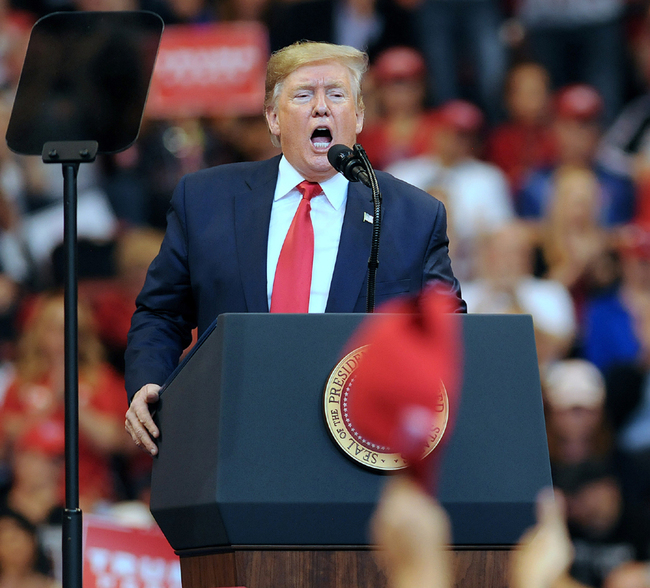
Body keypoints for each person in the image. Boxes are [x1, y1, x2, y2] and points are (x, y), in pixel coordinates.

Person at [124, 41, 466, 454]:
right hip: (233, 437)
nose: (321, 107)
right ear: (272, 117)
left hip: (358, 445)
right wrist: (149, 380)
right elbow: (161, 312)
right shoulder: (205, 199)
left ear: (357, 116)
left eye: (336, 95)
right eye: (304, 95)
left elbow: (446, 331)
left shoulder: (413, 214)